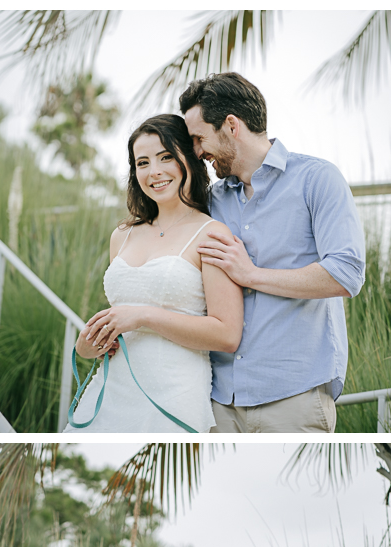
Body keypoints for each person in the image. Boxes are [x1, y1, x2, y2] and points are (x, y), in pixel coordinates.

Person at [180, 72, 367, 433]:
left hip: (294, 400)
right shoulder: (213, 201)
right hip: (221, 404)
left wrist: (251, 275)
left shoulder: (317, 179)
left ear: (231, 125)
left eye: (199, 138)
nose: (197, 152)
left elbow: (346, 274)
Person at [64, 114, 243, 433]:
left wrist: (144, 317)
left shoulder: (212, 233)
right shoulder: (122, 234)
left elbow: (226, 334)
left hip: (174, 393)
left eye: (165, 157)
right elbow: (118, 319)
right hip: (112, 389)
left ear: (188, 159)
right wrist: (88, 344)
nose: (154, 172)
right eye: (142, 162)